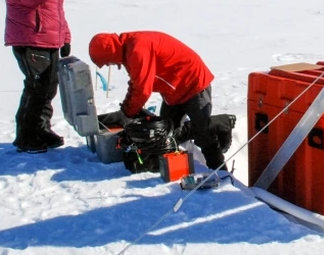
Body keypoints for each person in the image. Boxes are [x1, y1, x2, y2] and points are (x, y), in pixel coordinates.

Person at [87, 31, 227, 171]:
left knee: (203, 134)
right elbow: (137, 83)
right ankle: (174, 164)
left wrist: (126, 114)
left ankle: (221, 173)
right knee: (164, 134)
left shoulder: (137, 50)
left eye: (107, 62)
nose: (109, 65)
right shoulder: (128, 48)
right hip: (174, 88)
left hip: (193, 82)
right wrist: (125, 110)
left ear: (110, 53)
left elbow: (142, 90)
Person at [4, 0, 74, 153]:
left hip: (50, 39)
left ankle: (41, 130)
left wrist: (65, 36)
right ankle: (27, 137)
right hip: (30, 39)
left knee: (49, 87)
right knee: (37, 87)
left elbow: (56, 10)